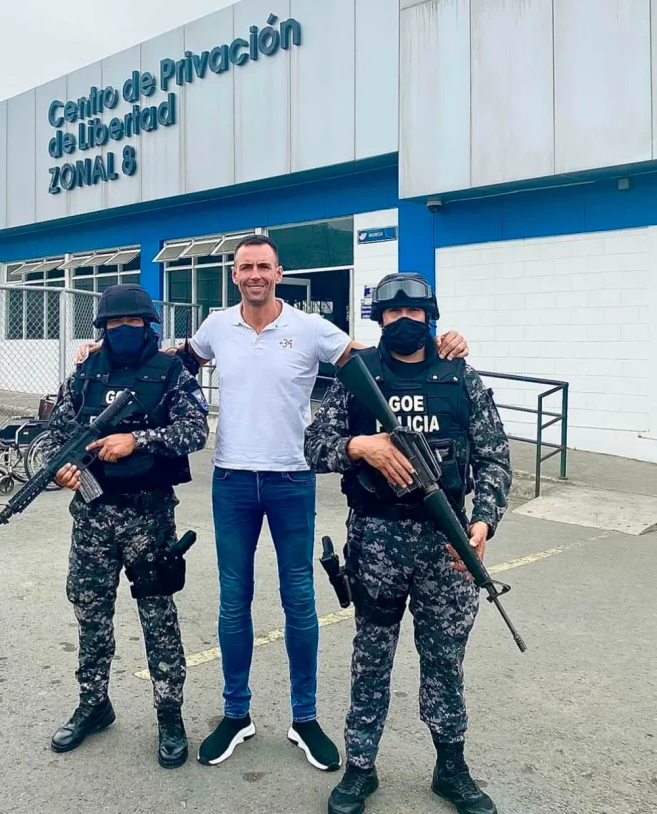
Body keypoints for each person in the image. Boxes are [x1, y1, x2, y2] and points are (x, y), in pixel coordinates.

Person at [74, 237, 468, 772]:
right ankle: (236, 714)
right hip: (233, 480)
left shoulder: (310, 330)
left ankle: (304, 718)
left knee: (299, 600)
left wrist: (444, 343)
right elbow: (163, 365)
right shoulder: (216, 326)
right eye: (245, 267)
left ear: (279, 272)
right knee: (234, 600)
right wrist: (100, 350)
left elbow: (379, 360)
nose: (254, 274)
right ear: (234, 276)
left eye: (263, 265)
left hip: (291, 481)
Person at [303, 273, 512, 814]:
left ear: (429, 318)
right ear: (378, 320)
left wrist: (484, 521)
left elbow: (493, 458)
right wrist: (360, 445)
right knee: (370, 660)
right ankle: (360, 768)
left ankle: (451, 768)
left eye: (413, 313)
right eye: (392, 314)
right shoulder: (357, 377)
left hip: (447, 544)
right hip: (376, 539)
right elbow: (312, 445)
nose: (403, 322)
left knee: (444, 660)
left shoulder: (461, 378)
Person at [43, 283, 209, 769]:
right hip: (93, 516)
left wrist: (135, 440)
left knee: (157, 617)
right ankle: (94, 702)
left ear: (148, 326)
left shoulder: (171, 372)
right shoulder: (84, 372)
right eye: (115, 325)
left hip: (148, 516)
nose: (123, 331)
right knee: (91, 612)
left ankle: (169, 712)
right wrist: (61, 466)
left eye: (132, 324)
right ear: (103, 329)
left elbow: (195, 429)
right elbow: (58, 429)